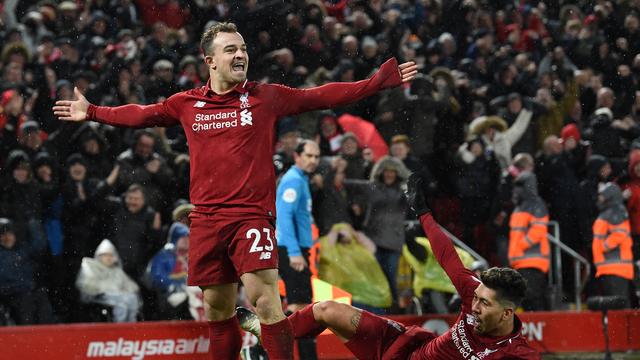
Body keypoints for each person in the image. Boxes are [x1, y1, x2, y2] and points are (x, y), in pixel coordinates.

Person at [53, 21, 417, 359]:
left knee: (266, 303)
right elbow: (142, 114)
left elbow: (320, 96)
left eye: (242, 48)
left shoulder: (264, 97)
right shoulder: (187, 103)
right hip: (207, 221)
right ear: (210, 60)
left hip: (250, 217)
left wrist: (374, 83)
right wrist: (94, 111)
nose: (241, 54)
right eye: (231, 50)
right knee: (217, 309)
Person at [238, 173, 540, 359]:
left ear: (507, 313)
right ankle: (272, 334)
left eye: (484, 303)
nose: (475, 305)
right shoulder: (473, 292)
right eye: (476, 298)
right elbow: (447, 255)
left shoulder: (516, 354)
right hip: (401, 348)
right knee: (326, 309)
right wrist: (423, 213)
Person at [275, 139, 321, 359]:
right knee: (301, 308)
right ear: (297, 156)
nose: (313, 161)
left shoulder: (300, 179)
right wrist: (293, 252)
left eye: (316, 156)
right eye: (309, 156)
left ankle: (264, 345)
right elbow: (283, 218)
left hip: (297, 249)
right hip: (292, 250)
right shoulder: (293, 180)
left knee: (299, 308)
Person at [508, 171, 550, 311]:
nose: (516, 189)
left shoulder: (536, 204)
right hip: (522, 261)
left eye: (519, 185)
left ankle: (544, 331)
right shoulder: (520, 206)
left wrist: (521, 246)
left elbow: (538, 231)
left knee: (534, 299)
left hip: (532, 261)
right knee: (527, 299)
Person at [75, 238, 142, 322]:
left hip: (117, 295)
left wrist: (125, 290)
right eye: (105, 255)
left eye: (111, 255)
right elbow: (86, 284)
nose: (108, 258)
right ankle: (119, 329)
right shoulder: (91, 267)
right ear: (99, 256)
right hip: (99, 297)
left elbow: (131, 286)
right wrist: (107, 289)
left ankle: (132, 326)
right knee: (122, 305)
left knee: (132, 299)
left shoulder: (116, 270)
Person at [591, 182, 635, 308]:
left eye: (602, 196)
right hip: (609, 268)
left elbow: (620, 234)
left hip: (616, 268)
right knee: (615, 308)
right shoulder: (610, 212)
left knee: (618, 309)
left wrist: (603, 247)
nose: (599, 198)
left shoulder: (615, 212)